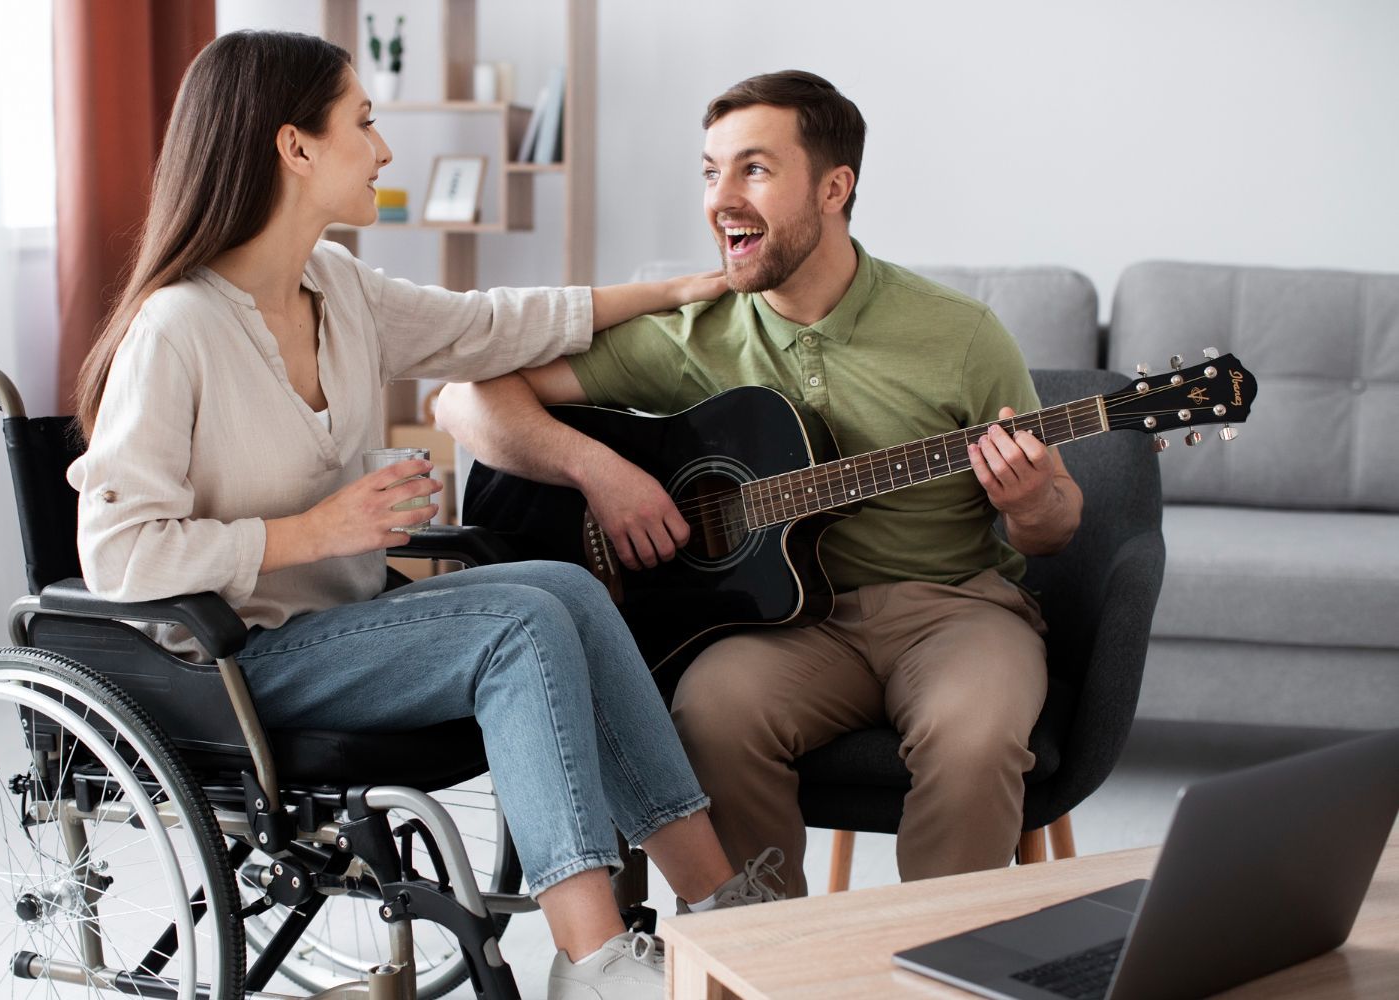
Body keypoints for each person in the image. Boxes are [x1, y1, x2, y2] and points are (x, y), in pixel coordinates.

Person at [68, 31, 779, 1000]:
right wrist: (315, 532)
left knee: (567, 588)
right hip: (232, 663)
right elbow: (115, 553)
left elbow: (493, 324)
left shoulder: (338, 288)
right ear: (295, 147)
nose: (385, 147)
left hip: (344, 633)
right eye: (363, 121)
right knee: (521, 623)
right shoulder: (178, 327)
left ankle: (721, 908)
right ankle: (594, 959)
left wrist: (678, 287)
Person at [436, 70, 1084, 897]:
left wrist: (1030, 502)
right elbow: (465, 395)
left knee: (975, 736)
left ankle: (935, 970)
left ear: (833, 188)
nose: (721, 198)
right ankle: (759, 963)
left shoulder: (960, 334)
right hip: (786, 627)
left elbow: (1055, 526)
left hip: (954, 609)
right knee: (708, 716)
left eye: (754, 169)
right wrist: (601, 474)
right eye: (711, 171)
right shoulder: (694, 336)